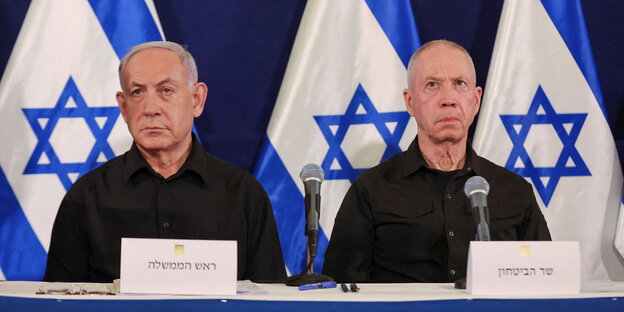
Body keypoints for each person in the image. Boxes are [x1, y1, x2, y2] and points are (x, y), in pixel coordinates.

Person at [44, 41, 286, 283]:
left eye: (166, 90)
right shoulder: (86, 197)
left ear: (197, 100)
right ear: (123, 107)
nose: (151, 108)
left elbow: (270, 299)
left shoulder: (243, 194)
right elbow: (60, 301)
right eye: (137, 92)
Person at [322, 40, 551, 283]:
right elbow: (342, 290)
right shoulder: (370, 189)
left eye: (459, 84)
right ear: (410, 102)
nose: (448, 99)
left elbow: (545, 282)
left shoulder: (515, 190)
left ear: (476, 100)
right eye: (432, 85)